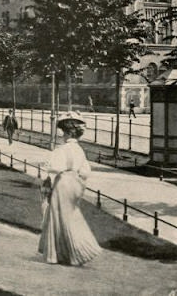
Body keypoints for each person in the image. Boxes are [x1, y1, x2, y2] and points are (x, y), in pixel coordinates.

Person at [38, 111, 101, 266]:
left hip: (63, 182)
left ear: (66, 133)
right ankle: (68, 253)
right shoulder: (80, 150)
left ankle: (73, 251)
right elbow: (85, 172)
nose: (62, 135)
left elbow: (55, 168)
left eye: (63, 133)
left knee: (58, 215)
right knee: (71, 215)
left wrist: (46, 175)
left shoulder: (61, 150)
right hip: (75, 183)